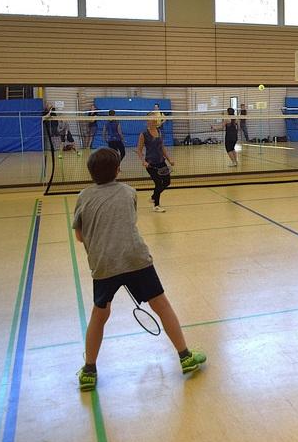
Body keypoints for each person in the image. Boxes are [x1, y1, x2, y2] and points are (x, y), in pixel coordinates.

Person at [72, 147, 206, 391]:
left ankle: (89, 370)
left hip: (104, 264)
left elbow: (80, 236)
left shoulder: (83, 197)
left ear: (91, 173)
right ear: (118, 170)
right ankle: (185, 356)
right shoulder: (129, 192)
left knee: (99, 316)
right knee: (161, 305)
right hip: (135, 259)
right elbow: (128, 222)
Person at [137, 115, 174, 212]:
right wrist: (143, 161)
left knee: (167, 182)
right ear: (147, 122)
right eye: (150, 119)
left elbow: (162, 148)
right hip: (150, 164)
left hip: (161, 162)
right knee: (158, 183)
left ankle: (154, 196)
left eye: (153, 119)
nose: (152, 121)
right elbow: (139, 150)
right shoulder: (143, 134)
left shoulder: (160, 132)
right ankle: (156, 205)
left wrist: (169, 159)